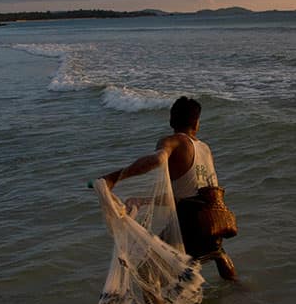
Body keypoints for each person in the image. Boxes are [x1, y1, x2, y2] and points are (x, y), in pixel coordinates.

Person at [100, 96, 238, 280]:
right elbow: (189, 193)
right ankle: (239, 290)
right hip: (213, 223)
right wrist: (144, 201)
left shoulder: (173, 142)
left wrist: (113, 178)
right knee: (217, 253)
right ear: (196, 123)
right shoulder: (205, 149)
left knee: (144, 268)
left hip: (189, 225)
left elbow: (158, 160)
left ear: (172, 121)